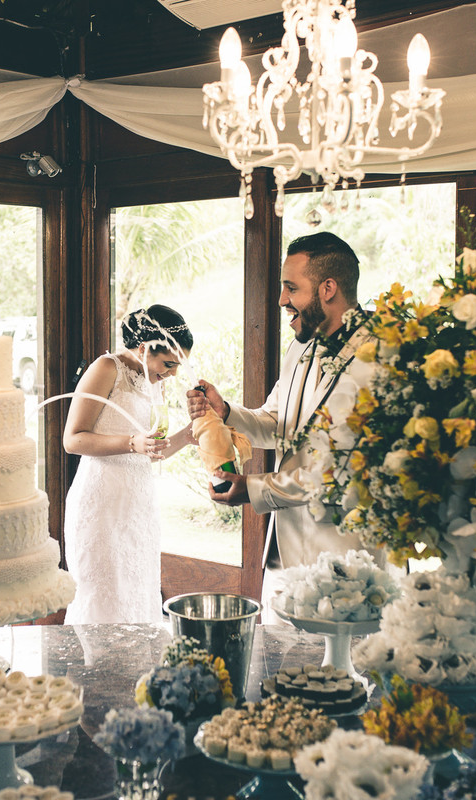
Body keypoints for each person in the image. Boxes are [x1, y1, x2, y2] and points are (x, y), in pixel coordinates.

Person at [187, 232, 377, 623]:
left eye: (291, 288)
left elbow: (344, 472)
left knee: (341, 679)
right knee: (279, 675)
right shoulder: (300, 346)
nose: (281, 300)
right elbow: (279, 425)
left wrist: (254, 489)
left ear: (328, 288)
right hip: (283, 557)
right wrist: (226, 412)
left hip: (345, 559)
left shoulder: (379, 358)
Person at [62, 304, 195, 624]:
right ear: (143, 348)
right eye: (168, 363)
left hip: (138, 507)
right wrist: (130, 443)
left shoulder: (154, 380)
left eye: (177, 366)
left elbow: (153, 450)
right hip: (100, 504)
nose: (173, 373)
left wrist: (191, 433)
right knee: (104, 599)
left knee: (136, 594)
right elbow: (72, 440)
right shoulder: (106, 368)